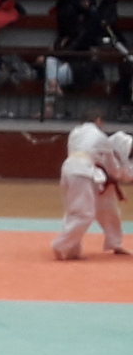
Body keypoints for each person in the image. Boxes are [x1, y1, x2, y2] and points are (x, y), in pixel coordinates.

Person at [52, 109, 129, 259]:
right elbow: (111, 166)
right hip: (83, 171)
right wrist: (121, 175)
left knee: (76, 211)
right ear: (98, 120)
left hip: (68, 169)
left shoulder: (75, 132)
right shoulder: (101, 137)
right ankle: (60, 245)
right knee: (85, 214)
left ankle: (73, 250)